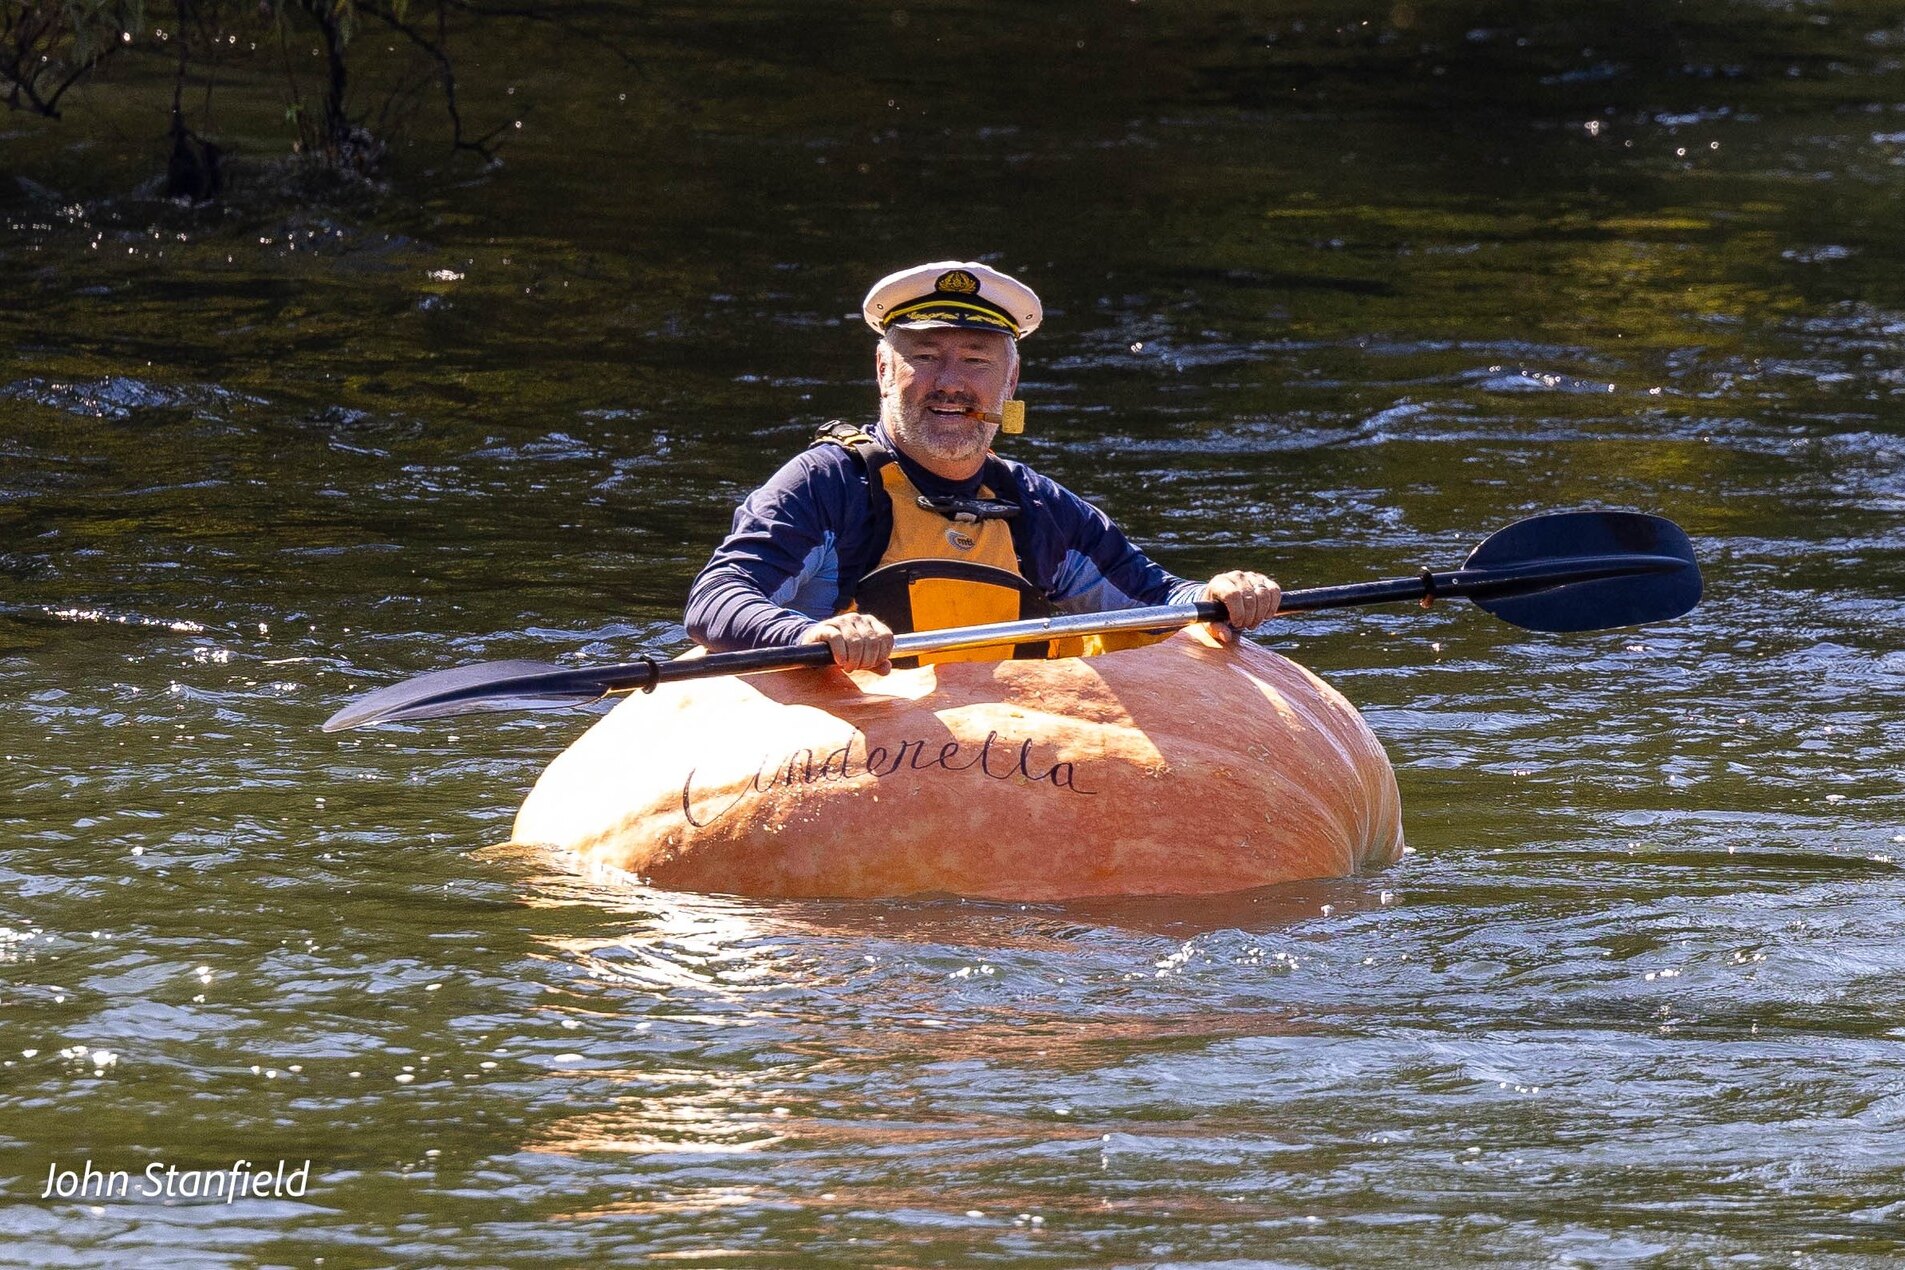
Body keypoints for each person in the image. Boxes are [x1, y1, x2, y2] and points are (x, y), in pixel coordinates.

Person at [685, 260, 1281, 673]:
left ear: (1010, 380)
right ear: (883, 370)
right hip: (848, 753)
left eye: (975, 360)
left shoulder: (1038, 506)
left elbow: (1156, 602)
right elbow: (717, 598)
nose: (949, 384)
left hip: (1001, 757)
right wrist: (807, 635)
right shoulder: (825, 485)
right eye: (923, 356)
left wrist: (1219, 593)